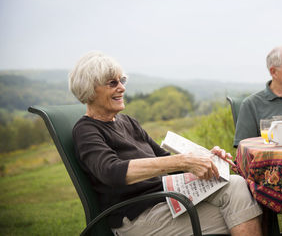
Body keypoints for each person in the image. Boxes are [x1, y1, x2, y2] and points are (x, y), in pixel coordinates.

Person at [69, 51, 263, 236]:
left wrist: (204, 158)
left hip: (168, 200)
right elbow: (111, 171)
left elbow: (165, 161)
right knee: (248, 211)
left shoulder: (128, 122)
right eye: (112, 83)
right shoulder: (86, 130)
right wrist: (183, 161)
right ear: (90, 90)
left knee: (237, 184)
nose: (122, 87)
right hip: (140, 216)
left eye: (123, 80)